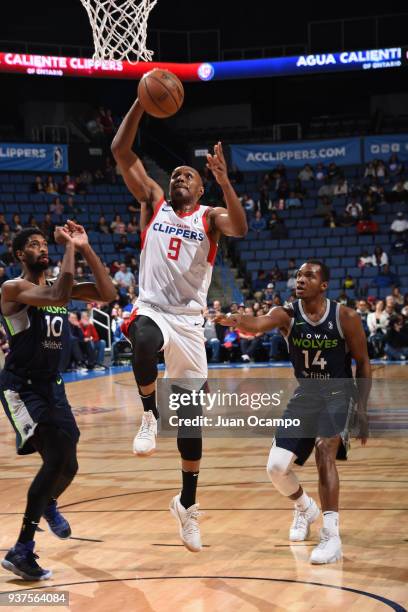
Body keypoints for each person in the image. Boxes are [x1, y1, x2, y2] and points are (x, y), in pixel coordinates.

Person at [111, 97, 247, 553]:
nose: (178, 177)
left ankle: (186, 505)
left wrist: (227, 183)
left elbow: (242, 228)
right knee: (143, 338)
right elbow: (121, 152)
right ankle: (149, 414)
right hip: (152, 308)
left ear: (201, 188)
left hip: (189, 322)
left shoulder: (209, 218)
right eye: (175, 174)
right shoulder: (153, 202)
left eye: (187, 174)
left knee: (190, 424)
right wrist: (139, 101)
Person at [216, 260, 371, 564]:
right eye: (298, 275)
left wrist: (362, 410)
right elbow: (256, 323)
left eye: (308, 276)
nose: (300, 280)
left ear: (323, 285)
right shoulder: (286, 315)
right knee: (275, 468)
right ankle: (304, 508)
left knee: (325, 449)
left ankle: (331, 536)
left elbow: (363, 362)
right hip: (306, 395)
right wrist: (234, 320)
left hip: (339, 394)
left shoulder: (345, 317)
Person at [0, 223, 116, 581]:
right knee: (56, 459)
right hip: (23, 387)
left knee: (69, 466)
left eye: (42, 243)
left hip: (53, 386)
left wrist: (84, 246)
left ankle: (47, 501)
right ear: (21, 255)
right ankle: (22, 548)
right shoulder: (13, 288)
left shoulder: (58, 285)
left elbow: (108, 293)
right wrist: (67, 248)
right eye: (33, 245)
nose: (41, 248)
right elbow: (57, 298)